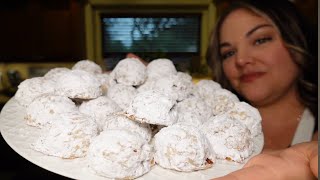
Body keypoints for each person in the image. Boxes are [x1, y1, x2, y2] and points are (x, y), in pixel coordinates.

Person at [205, 0, 318, 179]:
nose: (241, 60)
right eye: (229, 53)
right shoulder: (206, 125)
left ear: (296, 41)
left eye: (260, 40)